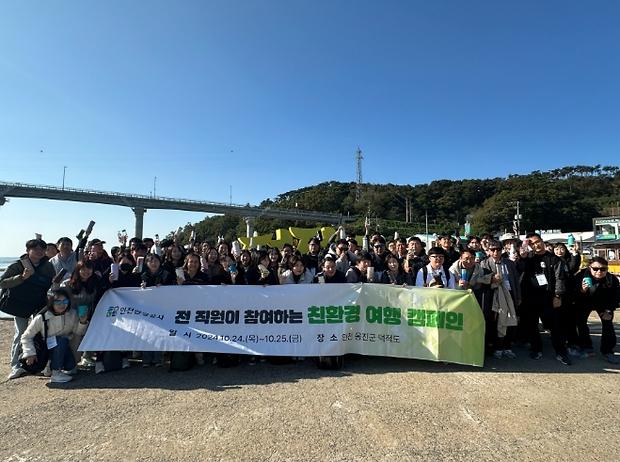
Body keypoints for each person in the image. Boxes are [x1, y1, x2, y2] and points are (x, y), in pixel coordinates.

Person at [1, 239, 56, 380]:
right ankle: (16, 366)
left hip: (39, 304)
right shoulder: (18, 265)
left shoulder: (47, 266)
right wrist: (21, 277)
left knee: (42, 333)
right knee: (21, 333)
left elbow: (51, 284)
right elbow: (2, 282)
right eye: (35, 249)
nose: (39, 252)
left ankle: (42, 363)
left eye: (42, 249)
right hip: (20, 305)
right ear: (28, 250)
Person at [519, 233, 569, 364]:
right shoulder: (528, 259)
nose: (536, 245)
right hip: (531, 298)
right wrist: (523, 257)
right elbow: (519, 272)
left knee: (554, 326)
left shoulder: (554, 259)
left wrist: (558, 295)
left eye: (537, 241)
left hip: (549, 297)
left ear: (542, 241)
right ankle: (536, 349)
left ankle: (561, 352)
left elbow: (560, 278)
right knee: (532, 325)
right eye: (532, 244)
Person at [20, 288, 89, 383]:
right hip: (46, 348)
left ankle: (52, 366)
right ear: (51, 302)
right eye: (58, 301)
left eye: (65, 301)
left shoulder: (72, 314)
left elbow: (78, 333)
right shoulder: (42, 317)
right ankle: (56, 373)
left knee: (71, 366)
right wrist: (29, 353)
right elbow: (26, 336)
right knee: (61, 340)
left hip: (64, 347)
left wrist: (82, 321)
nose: (62, 304)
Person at [478, 241, 521, 359]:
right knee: (496, 323)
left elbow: (516, 281)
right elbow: (480, 280)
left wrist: (518, 297)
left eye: (498, 249)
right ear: (488, 251)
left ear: (502, 250)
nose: (495, 252)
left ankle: (507, 347)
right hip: (494, 296)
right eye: (492, 250)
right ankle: (497, 347)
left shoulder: (509, 264)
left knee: (510, 321)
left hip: (510, 294)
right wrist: (491, 279)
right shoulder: (484, 263)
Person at [573, 257, 619, 364]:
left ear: (607, 269)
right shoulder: (581, 276)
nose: (599, 272)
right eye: (595, 269)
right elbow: (574, 296)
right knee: (580, 322)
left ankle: (608, 351)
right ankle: (586, 346)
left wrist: (608, 310)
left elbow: (615, 297)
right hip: (585, 301)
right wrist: (582, 290)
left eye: (603, 269)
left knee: (608, 323)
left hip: (604, 303)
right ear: (590, 268)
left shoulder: (612, 279)